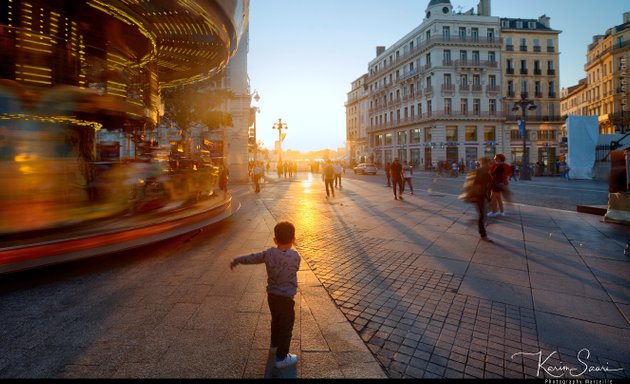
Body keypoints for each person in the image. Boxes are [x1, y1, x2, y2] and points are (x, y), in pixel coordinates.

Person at [229, 221, 301, 369]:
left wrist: (238, 260)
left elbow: (253, 257)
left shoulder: (268, 254)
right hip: (286, 299)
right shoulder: (295, 256)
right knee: (286, 327)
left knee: (275, 321)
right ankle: (282, 357)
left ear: (275, 240)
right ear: (293, 239)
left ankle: (274, 345)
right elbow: (295, 268)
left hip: (272, 297)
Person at [459, 157, 492, 242]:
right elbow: (490, 184)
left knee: (482, 214)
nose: (489, 164)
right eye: (488, 163)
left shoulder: (481, 171)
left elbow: (489, 185)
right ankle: (483, 234)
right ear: (486, 163)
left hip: (479, 195)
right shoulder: (483, 171)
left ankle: (481, 231)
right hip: (478, 195)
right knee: (482, 214)